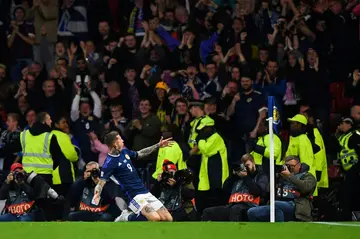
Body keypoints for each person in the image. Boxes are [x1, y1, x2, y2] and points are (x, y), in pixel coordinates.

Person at [92, 131, 173, 222]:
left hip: (144, 191)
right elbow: (101, 182)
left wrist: (158, 145)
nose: (122, 140)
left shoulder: (124, 152)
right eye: (120, 139)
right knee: (155, 218)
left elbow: (140, 153)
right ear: (115, 143)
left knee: (168, 219)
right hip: (133, 196)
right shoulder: (109, 163)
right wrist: (96, 195)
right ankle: (126, 217)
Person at [247, 155, 317, 222]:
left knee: (275, 205)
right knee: (251, 212)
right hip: (277, 204)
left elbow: (306, 188)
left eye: (291, 166)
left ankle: (279, 231)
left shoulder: (308, 176)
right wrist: (276, 178)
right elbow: (268, 191)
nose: (289, 168)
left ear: (299, 165)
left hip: (296, 206)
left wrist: (289, 176)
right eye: (287, 166)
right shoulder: (281, 176)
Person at [202, 154, 268, 222]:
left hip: (250, 207)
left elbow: (257, 192)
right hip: (232, 205)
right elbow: (224, 188)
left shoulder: (261, 176)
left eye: (248, 165)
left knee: (236, 209)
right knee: (208, 212)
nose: (246, 168)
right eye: (243, 166)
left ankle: (233, 232)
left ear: (253, 163)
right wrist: (233, 176)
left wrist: (246, 177)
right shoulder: (238, 177)